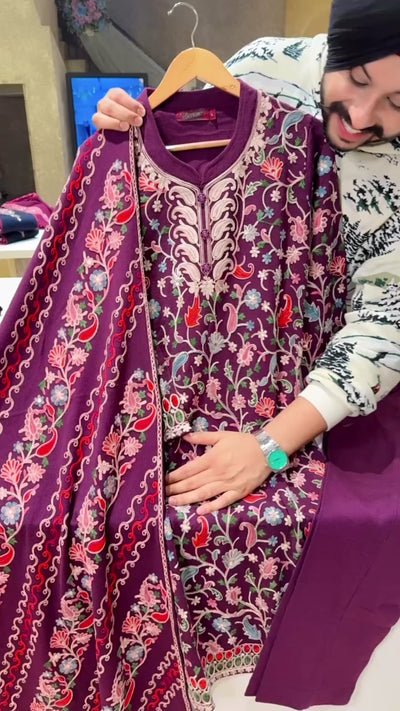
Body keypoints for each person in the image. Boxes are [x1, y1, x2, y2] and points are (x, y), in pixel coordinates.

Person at [92, 0, 400, 513]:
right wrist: (126, 128)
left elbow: (387, 320)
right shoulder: (264, 69)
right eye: (357, 78)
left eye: (398, 103)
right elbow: (189, 165)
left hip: (333, 391)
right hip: (206, 359)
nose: (362, 116)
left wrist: (271, 448)